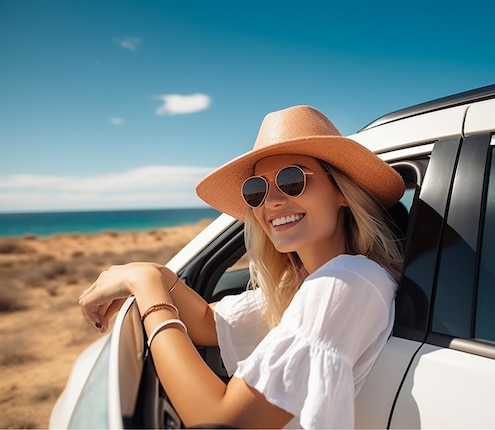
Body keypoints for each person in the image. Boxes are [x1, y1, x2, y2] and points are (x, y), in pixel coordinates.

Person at [79, 105, 405, 429]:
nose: (272, 201)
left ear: (342, 192)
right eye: (256, 190)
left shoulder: (346, 283)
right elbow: (209, 323)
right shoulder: (310, 285)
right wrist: (158, 274)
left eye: (292, 180)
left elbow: (221, 421)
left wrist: (146, 286)